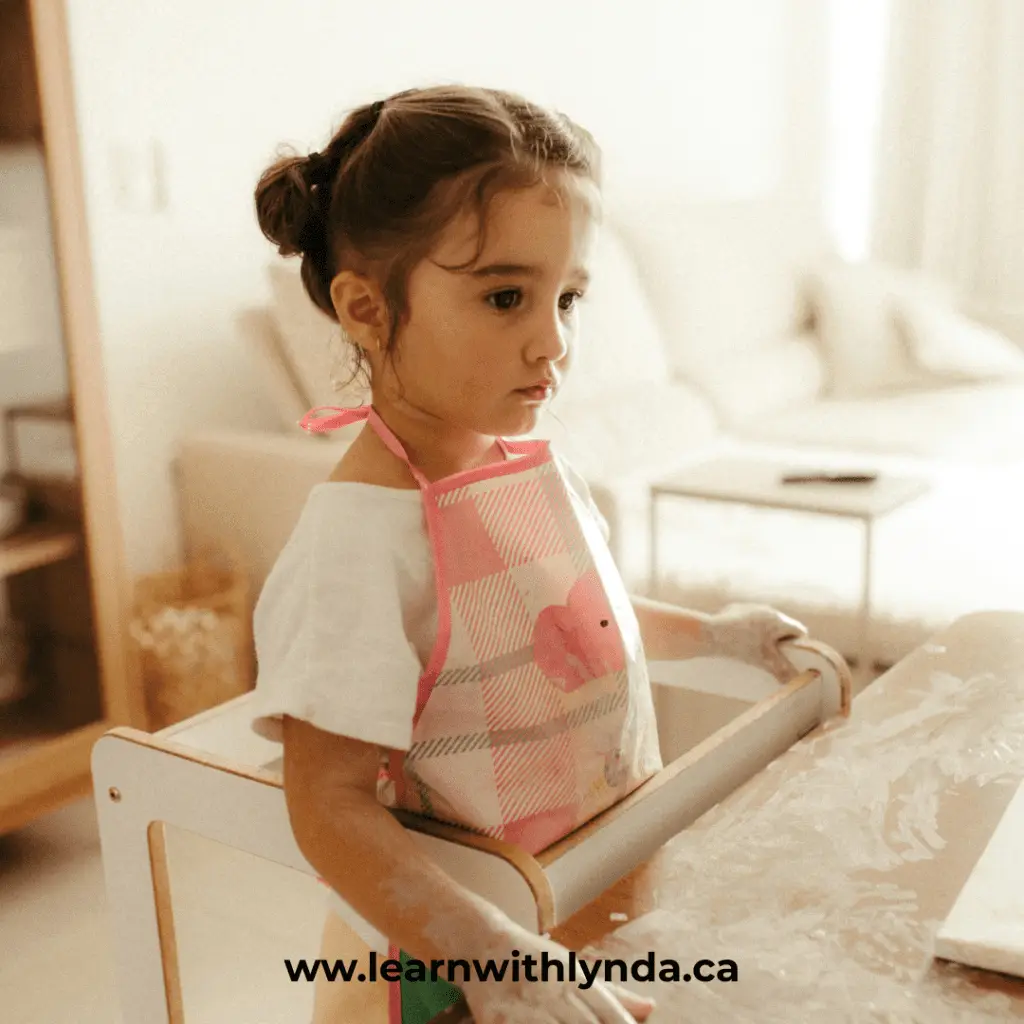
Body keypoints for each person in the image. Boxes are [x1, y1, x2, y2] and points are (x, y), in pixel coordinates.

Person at [249, 84, 807, 1024]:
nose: (553, 341)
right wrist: (490, 954)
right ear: (367, 308)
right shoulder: (358, 543)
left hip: (581, 895)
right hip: (452, 965)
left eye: (568, 298)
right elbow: (328, 807)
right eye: (506, 297)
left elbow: (576, 626)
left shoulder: (531, 466)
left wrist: (720, 636)